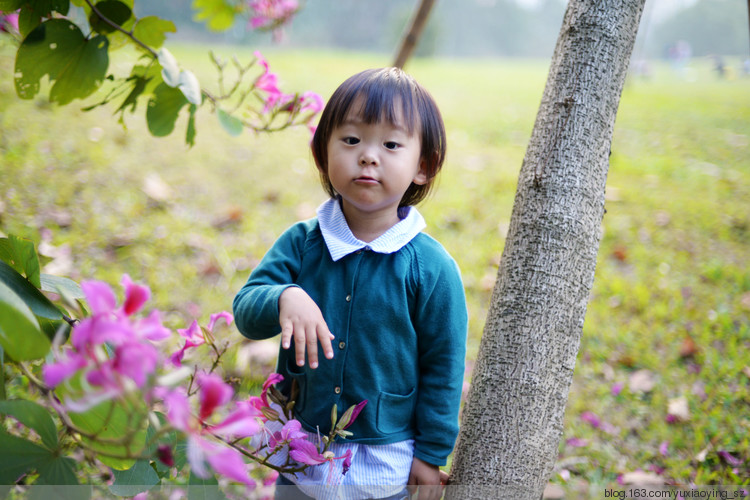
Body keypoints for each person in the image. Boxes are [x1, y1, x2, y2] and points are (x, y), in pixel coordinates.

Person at [233, 67, 467, 500]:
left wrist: (431, 455)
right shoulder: (302, 245)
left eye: (391, 144)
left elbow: (444, 365)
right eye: (352, 140)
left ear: (423, 166)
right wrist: (286, 295)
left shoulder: (430, 267)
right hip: (299, 450)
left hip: (383, 462)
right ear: (323, 153)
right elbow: (246, 311)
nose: (369, 156)